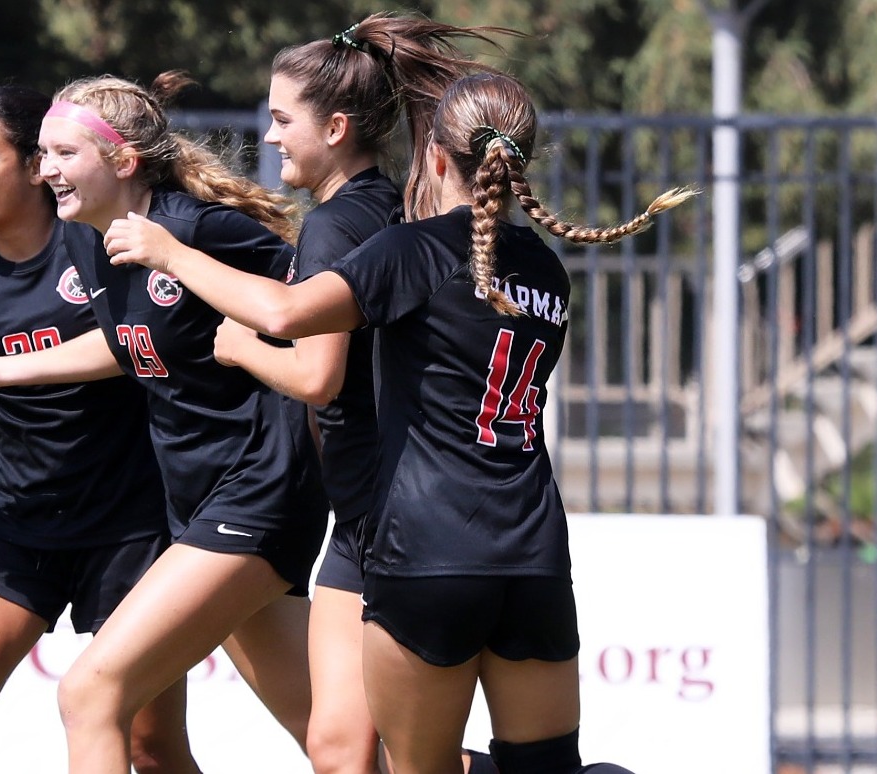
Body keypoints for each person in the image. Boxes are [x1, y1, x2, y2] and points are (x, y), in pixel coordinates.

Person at [102, 71, 694, 774]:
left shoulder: (414, 251)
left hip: (427, 553)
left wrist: (170, 254)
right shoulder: (546, 269)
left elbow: (286, 314)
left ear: (438, 157)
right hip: (534, 553)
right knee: (546, 768)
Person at [0, 72, 329, 773]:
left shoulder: (191, 229)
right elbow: (121, 346)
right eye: (41, 153)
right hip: (199, 505)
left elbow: (320, 298)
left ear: (122, 161)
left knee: (91, 697)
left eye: (62, 154)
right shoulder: (102, 248)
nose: (46, 170)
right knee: (338, 741)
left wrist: (253, 341)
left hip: (253, 494)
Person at [212, 15, 522, 774]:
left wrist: (242, 347)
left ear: (338, 125)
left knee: (373, 750)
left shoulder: (330, 231)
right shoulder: (392, 205)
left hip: (382, 520)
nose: (272, 136)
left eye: (284, 119)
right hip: (377, 509)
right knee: (348, 745)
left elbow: (318, 376)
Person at [0, 84, 198, 774]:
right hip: (18, 522)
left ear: (33, 166)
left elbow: (135, 343)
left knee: (153, 747)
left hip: (129, 522)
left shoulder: (94, 241)